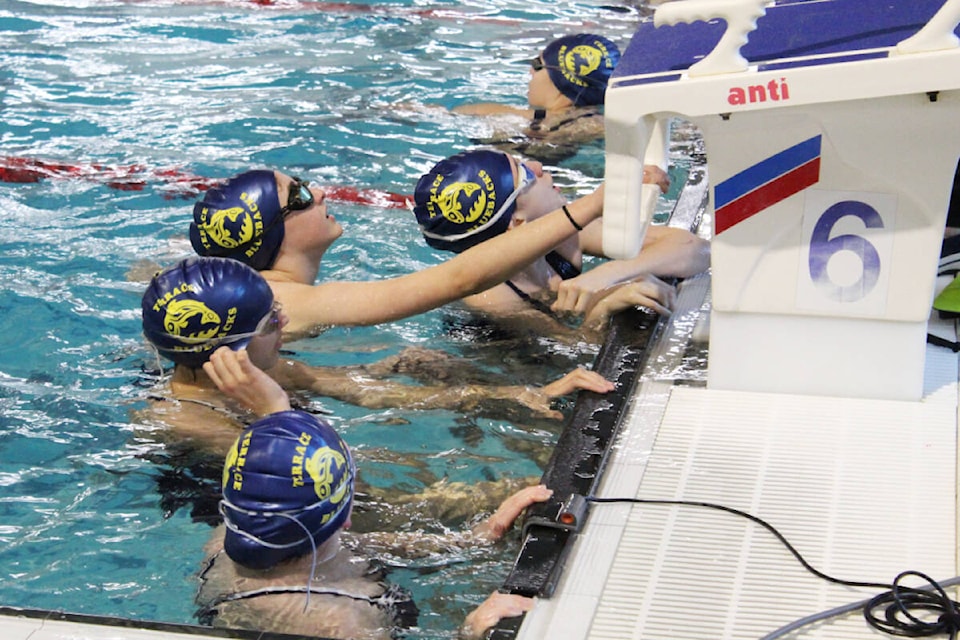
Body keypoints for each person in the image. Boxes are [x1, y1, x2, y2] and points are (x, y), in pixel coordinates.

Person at [195, 366, 542, 638]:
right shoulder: (342, 623)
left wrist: (475, 538)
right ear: (345, 514)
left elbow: (362, 547)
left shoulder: (227, 541)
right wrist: (470, 632)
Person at [137, 256, 615, 453]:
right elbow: (328, 490)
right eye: (271, 321)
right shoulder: (187, 423)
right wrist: (272, 413)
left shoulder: (267, 368)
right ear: (228, 351)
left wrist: (517, 394)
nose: (285, 324)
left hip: (305, 454)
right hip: (283, 540)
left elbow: (364, 392)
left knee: (419, 360)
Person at [188, 168, 606, 341]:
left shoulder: (264, 289)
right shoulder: (290, 300)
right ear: (270, 234)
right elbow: (457, 279)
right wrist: (591, 204)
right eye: (297, 194)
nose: (317, 192)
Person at [412, 149, 710, 339]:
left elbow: (696, 249)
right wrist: (600, 311)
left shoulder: (564, 235)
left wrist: (611, 274)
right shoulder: (492, 299)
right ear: (517, 222)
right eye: (526, 173)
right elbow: (570, 351)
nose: (539, 165)